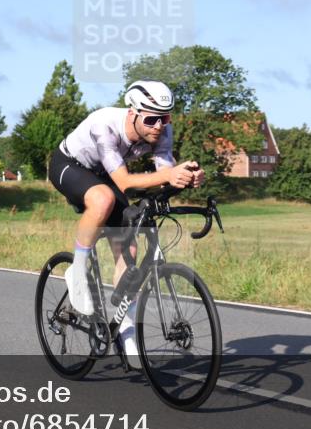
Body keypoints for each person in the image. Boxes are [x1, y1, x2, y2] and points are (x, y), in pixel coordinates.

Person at [48, 80, 205, 318]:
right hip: (69, 165)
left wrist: (186, 178)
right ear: (133, 113)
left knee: (128, 247)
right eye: (151, 119)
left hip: (105, 174)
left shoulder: (162, 130)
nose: (159, 126)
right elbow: (124, 182)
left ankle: (125, 327)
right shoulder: (105, 125)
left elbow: (165, 174)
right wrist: (169, 175)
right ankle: (77, 271)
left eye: (165, 118)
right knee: (103, 199)